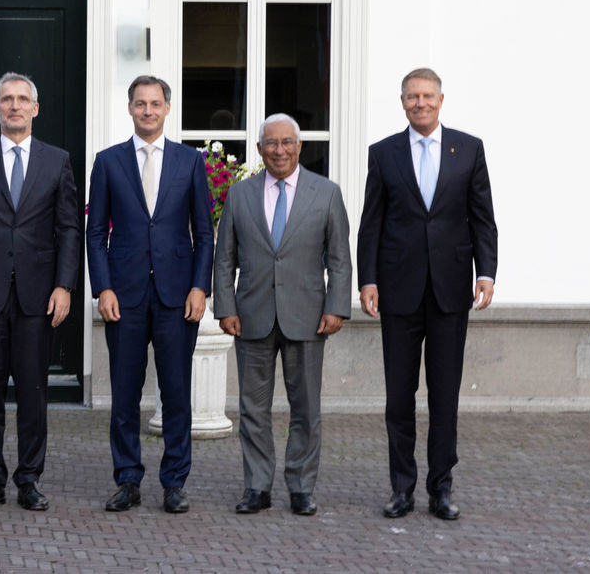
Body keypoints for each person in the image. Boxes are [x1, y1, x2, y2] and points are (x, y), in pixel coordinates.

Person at [358, 68, 497, 521]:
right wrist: (368, 280)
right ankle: (402, 488)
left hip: (450, 292)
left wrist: (487, 272)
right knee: (399, 398)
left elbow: (482, 218)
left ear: (441, 99)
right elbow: (371, 224)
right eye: (412, 96)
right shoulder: (383, 154)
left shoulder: (469, 149)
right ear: (401, 102)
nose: (420, 103)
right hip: (397, 292)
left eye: (427, 96)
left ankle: (442, 488)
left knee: (444, 396)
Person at [85, 75, 213, 514]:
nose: (147, 111)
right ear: (129, 108)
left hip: (178, 297)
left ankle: (174, 482)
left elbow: (205, 233)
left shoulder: (190, 162)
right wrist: (102, 287)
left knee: (176, 392)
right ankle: (127, 479)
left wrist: (201, 287)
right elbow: (96, 230)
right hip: (124, 295)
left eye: (155, 103)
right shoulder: (107, 162)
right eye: (140, 103)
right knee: (124, 393)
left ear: (167, 108)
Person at [0, 73, 80, 512]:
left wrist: (64, 285)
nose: (14, 106)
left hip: (37, 297)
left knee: (33, 391)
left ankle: (29, 478)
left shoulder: (57, 160)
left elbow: (68, 228)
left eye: (23, 99)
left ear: (35, 108)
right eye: (6, 100)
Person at [212, 113, 351, 516]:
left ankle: (301, 488)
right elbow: (225, 260)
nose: (279, 150)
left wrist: (337, 307)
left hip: (309, 317)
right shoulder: (240, 195)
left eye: (287, 142)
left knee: (306, 409)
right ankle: (257, 486)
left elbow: (339, 258)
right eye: (270, 143)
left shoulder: (326, 193)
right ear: (258, 149)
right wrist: (225, 307)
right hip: (251, 316)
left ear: (299, 146)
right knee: (253, 409)